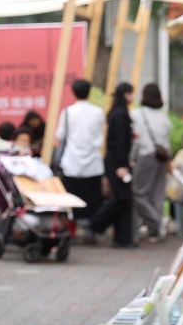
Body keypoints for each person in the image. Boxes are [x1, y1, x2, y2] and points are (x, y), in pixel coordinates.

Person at [54, 79, 105, 242]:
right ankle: (92, 230)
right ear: (89, 91)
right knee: (93, 199)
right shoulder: (98, 112)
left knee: (72, 199)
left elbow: (60, 135)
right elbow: (101, 137)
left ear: (73, 92)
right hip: (93, 163)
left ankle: (72, 232)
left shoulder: (68, 112)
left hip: (72, 163)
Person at [90, 83, 136, 248]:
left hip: (113, 159)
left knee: (122, 199)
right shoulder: (122, 115)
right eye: (131, 93)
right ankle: (95, 224)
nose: (133, 97)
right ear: (126, 94)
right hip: (118, 161)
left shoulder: (116, 113)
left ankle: (121, 238)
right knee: (124, 199)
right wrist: (124, 165)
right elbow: (121, 143)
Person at [129, 82, 172, 242]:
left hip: (146, 156)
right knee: (157, 194)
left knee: (138, 193)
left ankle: (156, 223)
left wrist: (131, 158)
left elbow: (136, 140)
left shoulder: (137, 114)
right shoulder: (164, 116)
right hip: (162, 157)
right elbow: (167, 142)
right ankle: (155, 229)